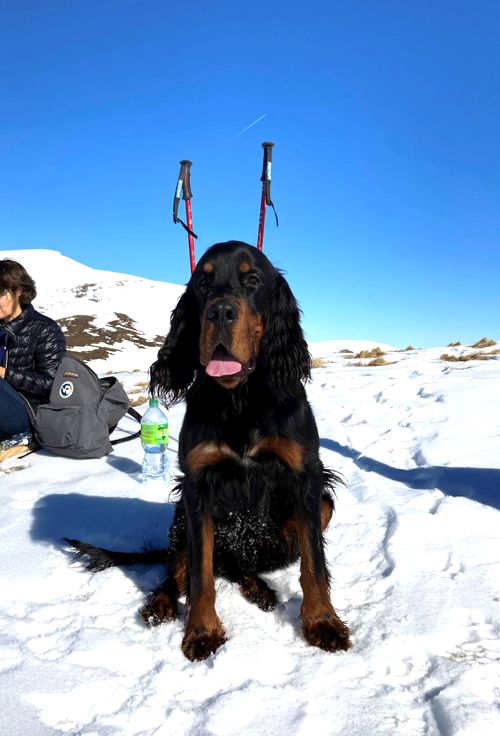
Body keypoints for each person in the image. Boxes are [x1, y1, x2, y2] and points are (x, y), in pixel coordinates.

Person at [0, 259, 66, 441]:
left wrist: (5, 374)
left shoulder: (46, 329)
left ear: (18, 291)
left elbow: (52, 385)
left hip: (30, 413)